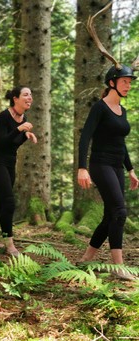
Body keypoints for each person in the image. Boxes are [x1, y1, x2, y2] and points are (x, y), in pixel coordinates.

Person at [77, 64, 139, 280]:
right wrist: (82, 167)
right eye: (124, 81)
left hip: (115, 165)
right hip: (100, 164)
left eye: (130, 82)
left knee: (110, 215)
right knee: (120, 212)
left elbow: (120, 144)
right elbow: (85, 137)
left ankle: (86, 258)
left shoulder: (123, 111)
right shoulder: (100, 108)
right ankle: (120, 268)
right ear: (112, 82)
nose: (128, 86)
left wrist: (130, 169)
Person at [0, 87, 37, 256]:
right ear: (15, 99)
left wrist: (24, 136)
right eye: (26, 95)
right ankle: (10, 244)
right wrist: (19, 130)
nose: (30, 97)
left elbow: (13, 144)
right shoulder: (4, 116)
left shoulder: (24, 118)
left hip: (9, 163)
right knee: (9, 201)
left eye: (30, 95)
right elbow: (0, 142)